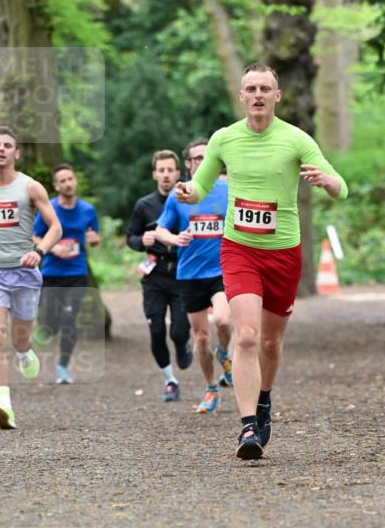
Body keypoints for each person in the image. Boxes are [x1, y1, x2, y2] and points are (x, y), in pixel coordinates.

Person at [175, 63, 347, 459]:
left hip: (284, 252)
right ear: (241, 96)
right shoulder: (225, 139)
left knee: (270, 340)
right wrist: (188, 192)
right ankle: (248, 426)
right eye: (250, 88)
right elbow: (201, 185)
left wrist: (326, 181)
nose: (257, 95)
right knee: (247, 335)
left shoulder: (295, 139)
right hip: (239, 249)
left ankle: (264, 398)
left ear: (276, 95)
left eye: (264, 88)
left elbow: (342, 187)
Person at [0, 127, 62, 429]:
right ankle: (4, 406)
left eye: (8, 145)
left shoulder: (31, 188)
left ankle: (24, 352)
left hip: (24, 273)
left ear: (16, 153)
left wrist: (40, 251)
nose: (2, 150)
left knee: (20, 339)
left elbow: (55, 227)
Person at [155, 138, 233, 414]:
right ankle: (211, 388)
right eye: (195, 159)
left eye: (205, 157)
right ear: (187, 164)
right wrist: (175, 238)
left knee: (223, 321)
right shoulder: (180, 195)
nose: (201, 163)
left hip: (221, 270)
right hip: (190, 275)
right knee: (200, 338)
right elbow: (159, 230)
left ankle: (224, 353)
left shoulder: (227, 189)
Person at [126, 149, 193, 402]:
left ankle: (183, 343)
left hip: (182, 274)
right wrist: (140, 240)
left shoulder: (188, 200)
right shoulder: (144, 206)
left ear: (178, 173)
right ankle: (170, 381)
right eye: (161, 171)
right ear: (154, 174)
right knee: (156, 330)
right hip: (154, 275)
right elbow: (130, 237)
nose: (166, 175)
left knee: (177, 331)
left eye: (170, 170)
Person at [32, 163, 100, 384]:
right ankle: (46, 329)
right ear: (55, 185)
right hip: (51, 273)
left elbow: (94, 235)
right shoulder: (48, 208)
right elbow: (34, 237)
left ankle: (62, 367)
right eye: (62, 181)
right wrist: (53, 247)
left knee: (70, 318)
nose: (68, 184)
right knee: (50, 323)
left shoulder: (88, 210)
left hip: (77, 274)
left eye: (70, 179)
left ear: (75, 181)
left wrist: (95, 239)